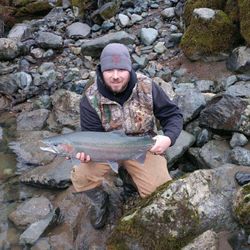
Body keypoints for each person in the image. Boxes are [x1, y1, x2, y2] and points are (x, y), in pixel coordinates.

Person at [70, 43, 183, 229]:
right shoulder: (90, 99)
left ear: (130, 68)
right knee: (81, 175)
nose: (115, 76)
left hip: (142, 147)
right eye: (109, 70)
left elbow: (173, 115)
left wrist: (168, 138)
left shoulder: (147, 86)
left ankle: (131, 179)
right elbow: (91, 137)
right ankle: (100, 200)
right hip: (105, 151)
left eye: (121, 69)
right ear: (100, 71)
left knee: (162, 194)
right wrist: (85, 153)